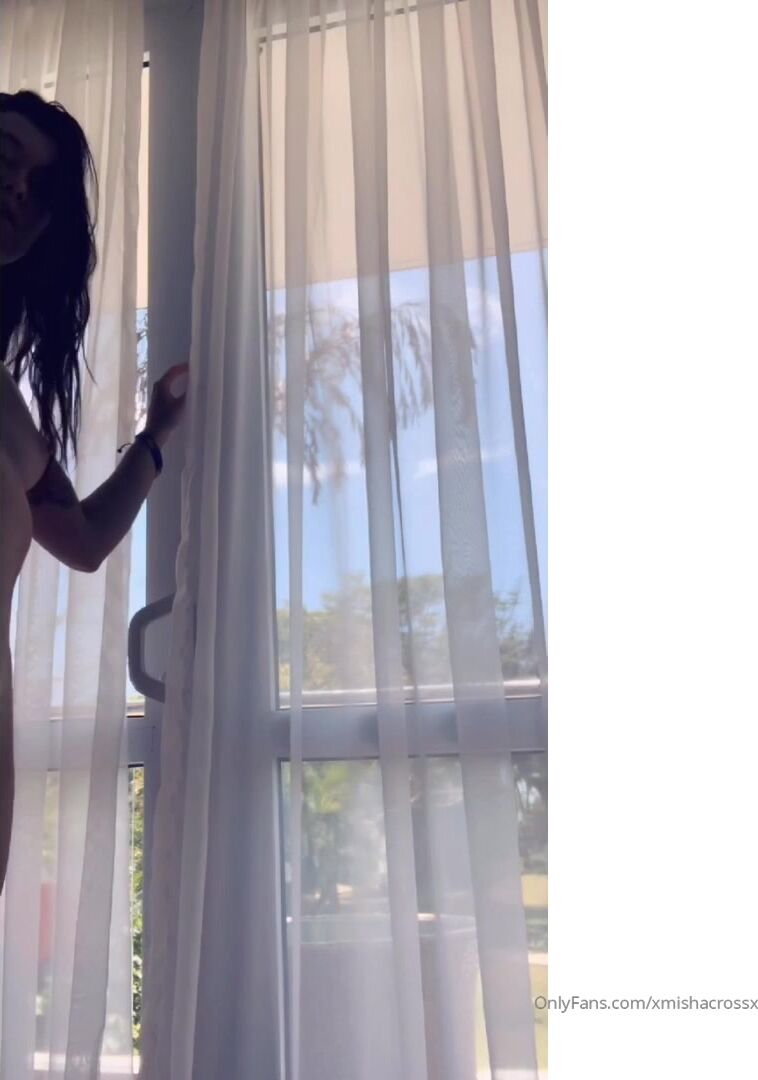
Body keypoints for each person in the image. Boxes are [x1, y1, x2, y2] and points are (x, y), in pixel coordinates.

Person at [0, 90, 187, 893]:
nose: (18, 190)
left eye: (39, 189)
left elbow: (80, 540)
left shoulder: (5, 413)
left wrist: (155, 438)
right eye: (6, 158)